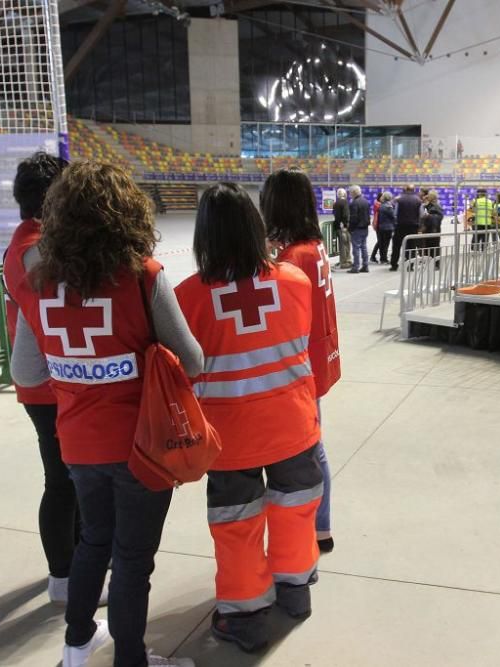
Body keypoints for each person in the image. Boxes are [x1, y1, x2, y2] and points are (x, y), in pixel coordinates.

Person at [10, 162, 203, 667]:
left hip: (78, 442)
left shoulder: (35, 283)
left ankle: (76, 647)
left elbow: (26, 372)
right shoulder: (144, 278)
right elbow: (194, 359)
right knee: (133, 561)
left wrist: (77, 371)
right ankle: (131, 660)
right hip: (142, 448)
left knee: (94, 540)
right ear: (128, 215)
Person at [175, 184, 322, 653]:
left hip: (229, 438)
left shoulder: (188, 299)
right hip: (292, 425)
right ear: (257, 228)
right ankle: (296, 593)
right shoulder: (294, 284)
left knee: (236, 525)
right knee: (295, 509)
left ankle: (246, 617)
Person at [4, 151, 92, 606]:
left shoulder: (28, 240)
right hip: (46, 383)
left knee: (70, 477)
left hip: (50, 381)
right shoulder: (37, 248)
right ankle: (64, 576)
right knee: (62, 479)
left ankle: (78, 559)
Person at [260, 169, 341, 554]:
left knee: (311, 448)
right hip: (320, 355)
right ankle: (321, 526)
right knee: (315, 445)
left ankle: (320, 526)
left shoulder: (294, 256)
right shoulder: (313, 245)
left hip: (303, 363)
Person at [390, 184, 422, 271]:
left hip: (400, 226)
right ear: (413, 190)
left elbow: (395, 214)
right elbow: (421, 214)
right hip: (413, 226)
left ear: (405, 189)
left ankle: (394, 265)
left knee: (396, 246)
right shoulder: (418, 200)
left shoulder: (399, 199)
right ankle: (410, 266)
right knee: (411, 246)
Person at [347, 184, 371, 273]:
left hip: (357, 228)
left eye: (350, 193)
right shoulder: (365, 201)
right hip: (365, 228)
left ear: (353, 192)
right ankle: (365, 265)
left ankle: (356, 267)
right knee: (364, 247)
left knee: (356, 248)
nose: (350, 194)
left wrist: (350, 229)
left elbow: (353, 218)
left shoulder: (354, 203)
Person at [371, 192, 395, 263]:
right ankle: (384, 259)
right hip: (387, 228)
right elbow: (393, 217)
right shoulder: (388, 206)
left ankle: (382, 258)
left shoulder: (381, 206)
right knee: (385, 244)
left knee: (382, 243)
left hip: (381, 227)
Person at [420, 190, 444, 258]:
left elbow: (439, 217)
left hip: (434, 230)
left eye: (429, 196)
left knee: (434, 248)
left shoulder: (437, 206)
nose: (427, 197)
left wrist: (428, 216)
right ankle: (430, 263)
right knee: (428, 248)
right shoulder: (429, 205)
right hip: (428, 230)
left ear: (432, 197)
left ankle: (436, 264)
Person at [332, 188, 352, 269]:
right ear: (344, 194)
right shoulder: (345, 202)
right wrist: (345, 225)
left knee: (343, 244)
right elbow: (345, 215)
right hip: (343, 227)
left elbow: (336, 215)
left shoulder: (336, 203)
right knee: (345, 244)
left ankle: (346, 261)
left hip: (340, 226)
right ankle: (345, 262)